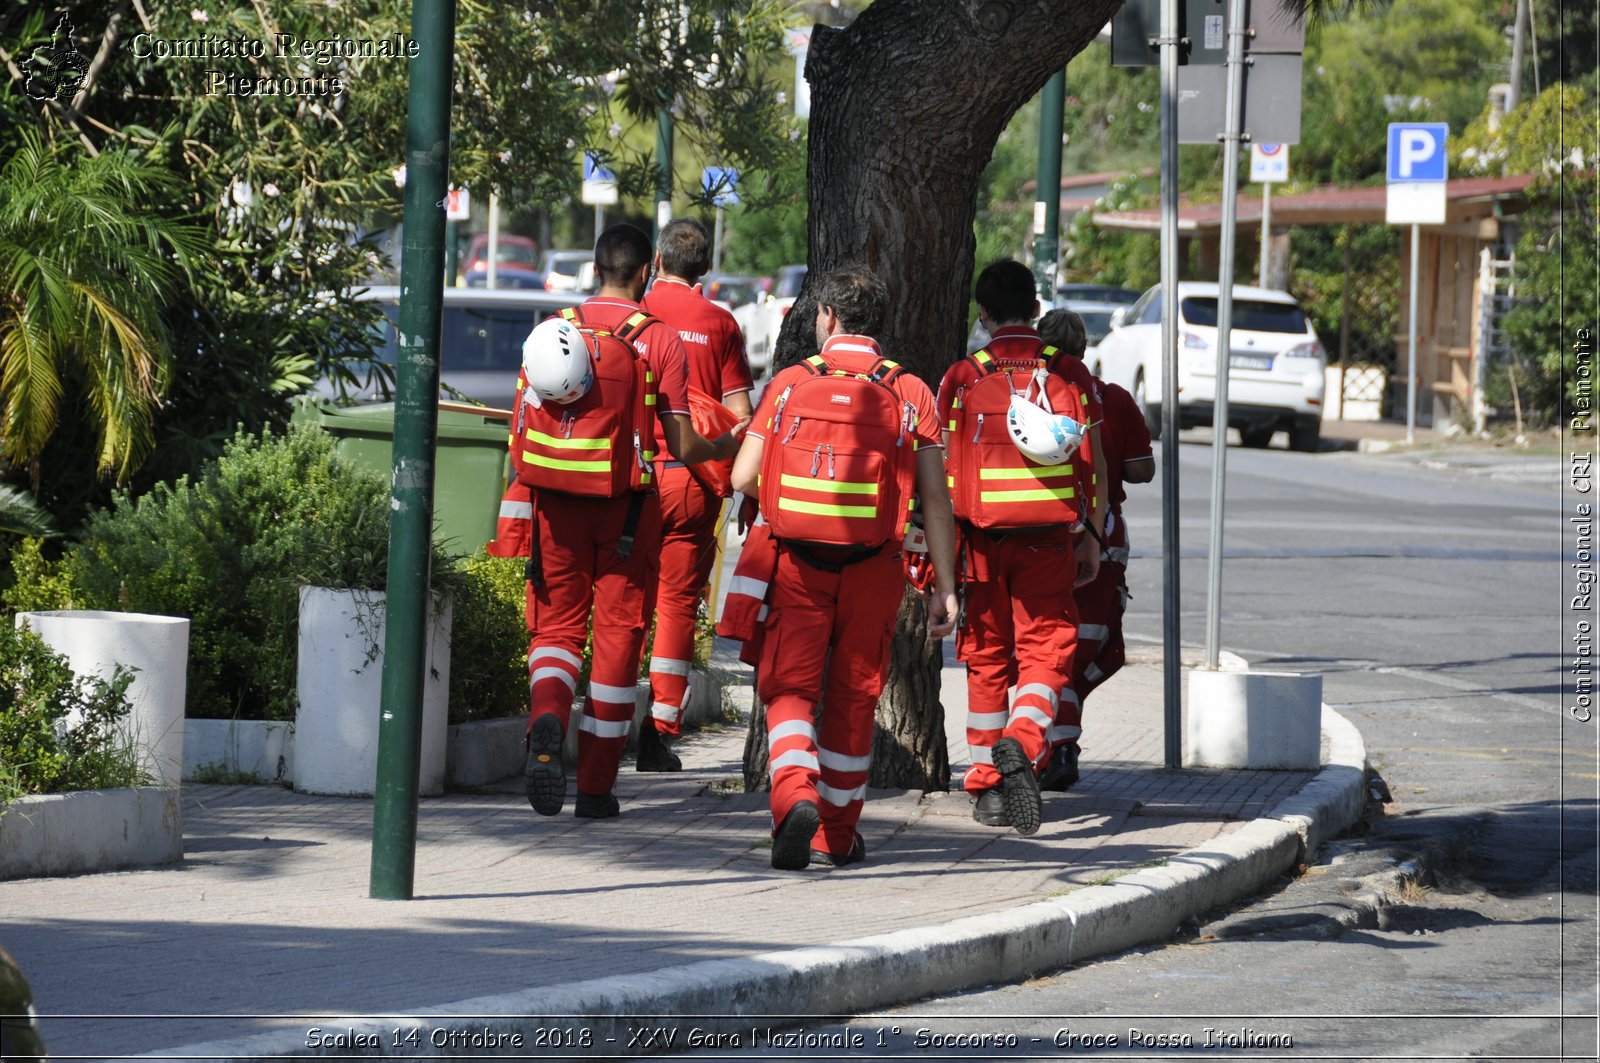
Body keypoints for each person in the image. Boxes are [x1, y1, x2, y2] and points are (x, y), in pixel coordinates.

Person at [730, 265, 959, 871]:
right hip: (874, 567)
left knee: (788, 692)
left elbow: (742, 477)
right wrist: (946, 587)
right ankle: (836, 834)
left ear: (826, 317)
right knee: (856, 699)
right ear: (879, 324)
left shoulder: (788, 383)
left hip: (797, 564)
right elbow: (936, 499)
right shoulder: (911, 391)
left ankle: (794, 793)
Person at [517, 223, 743, 820]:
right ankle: (594, 787)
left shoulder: (555, 329)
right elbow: (681, 443)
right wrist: (723, 447)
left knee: (556, 633)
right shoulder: (659, 340)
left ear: (594, 270)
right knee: (618, 640)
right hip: (627, 513)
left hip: (556, 507)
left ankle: (546, 718)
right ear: (646, 272)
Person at [936, 260, 1108, 835]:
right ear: (1036, 309)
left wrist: (943, 556)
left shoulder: (963, 376)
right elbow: (1094, 466)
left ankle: (986, 786)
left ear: (981, 315)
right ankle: (1024, 740)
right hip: (1049, 539)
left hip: (980, 542)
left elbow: (943, 470)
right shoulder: (1071, 374)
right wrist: (1093, 536)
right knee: (1047, 653)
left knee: (985, 660)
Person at [635, 218, 756, 772]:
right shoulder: (722, 324)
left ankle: (605, 721)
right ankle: (659, 729)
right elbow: (742, 418)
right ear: (704, 268)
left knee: (622, 602)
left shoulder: (632, 317)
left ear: (656, 262)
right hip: (692, 480)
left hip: (630, 477)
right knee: (677, 603)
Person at [1035, 307, 1153, 790]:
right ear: (1085, 349)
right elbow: (1142, 469)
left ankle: (1050, 743)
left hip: (1037, 532)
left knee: (1045, 642)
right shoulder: (1112, 398)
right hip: (1101, 536)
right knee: (1082, 643)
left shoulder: (1025, 397)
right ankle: (1060, 743)